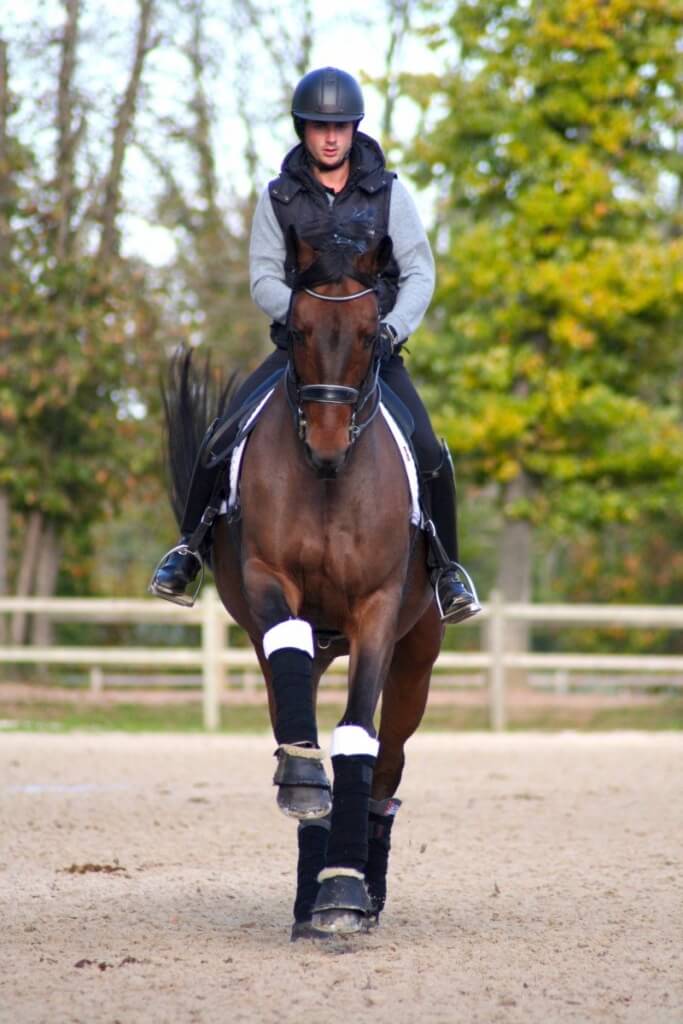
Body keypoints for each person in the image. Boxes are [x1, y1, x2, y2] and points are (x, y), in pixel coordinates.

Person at [149, 66, 480, 624]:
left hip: (374, 351)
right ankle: (187, 549)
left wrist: (389, 329)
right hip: (301, 354)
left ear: (355, 130)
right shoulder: (278, 197)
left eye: (341, 126)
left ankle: (448, 570)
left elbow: (420, 272)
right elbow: (263, 279)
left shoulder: (389, 194)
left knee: (428, 449)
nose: (331, 137)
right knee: (219, 435)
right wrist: (307, 322)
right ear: (303, 129)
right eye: (320, 126)